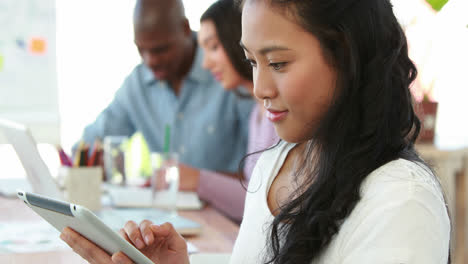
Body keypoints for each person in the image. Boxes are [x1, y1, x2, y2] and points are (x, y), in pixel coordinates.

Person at [61, 0, 451, 263]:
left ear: (346, 56)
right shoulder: (276, 163)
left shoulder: (401, 201)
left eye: (278, 63)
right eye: (251, 62)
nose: (260, 88)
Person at [78, 0, 253, 179]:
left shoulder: (227, 70)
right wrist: (85, 163)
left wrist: (196, 181)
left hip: (227, 205)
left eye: (160, 50)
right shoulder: (137, 84)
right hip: (163, 203)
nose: (150, 61)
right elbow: (91, 142)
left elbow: (260, 169)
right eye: (141, 50)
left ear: (185, 28)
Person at [194, 0, 278, 222]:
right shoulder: (256, 115)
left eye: (213, 47)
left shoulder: (279, 115)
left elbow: (261, 203)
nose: (205, 63)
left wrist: (197, 180)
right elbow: (254, 193)